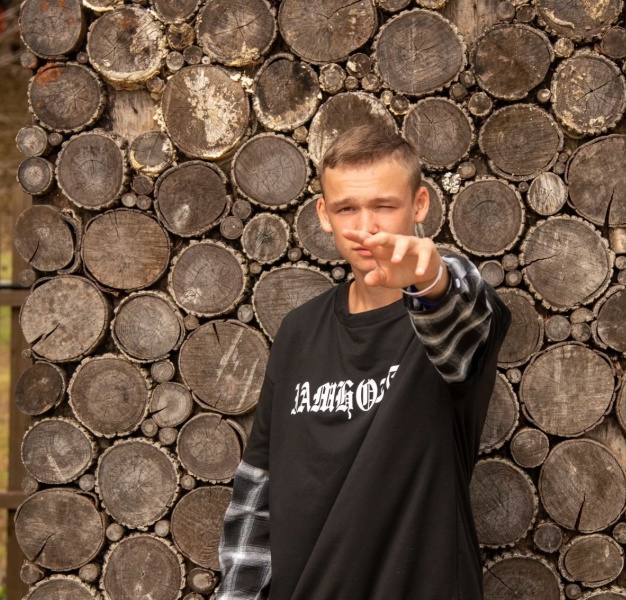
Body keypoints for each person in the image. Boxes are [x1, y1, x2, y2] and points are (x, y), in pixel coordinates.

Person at [217, 124, 511, 600]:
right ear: (324, 214)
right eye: (347, 208)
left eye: (384, 206)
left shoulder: (449, 325)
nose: (366, 227)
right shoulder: (298, 332)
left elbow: (462, 309)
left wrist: (430, 280)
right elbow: (257, 490)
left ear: (419, 204)